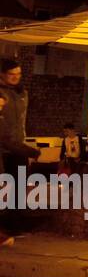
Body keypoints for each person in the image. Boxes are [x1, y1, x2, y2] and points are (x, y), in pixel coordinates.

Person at [0, 58, 39, 247]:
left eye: (18, 74)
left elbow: (21, 122)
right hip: (5, 148)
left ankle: (15, 223)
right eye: (11, 74)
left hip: (18, 146)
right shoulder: (1, 94)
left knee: (20, 187)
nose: (15, 78)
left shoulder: (22, 93)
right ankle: (7, 225)